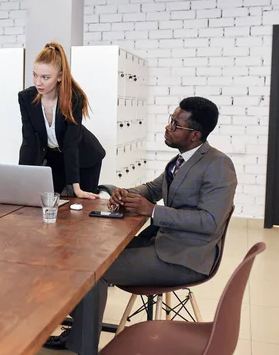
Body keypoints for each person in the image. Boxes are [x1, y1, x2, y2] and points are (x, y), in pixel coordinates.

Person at [44, 97, 237, 353]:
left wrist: (153, 211)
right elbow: (152, 189)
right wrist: (124, 193)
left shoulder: (218, 165)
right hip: (165, 244)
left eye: (175, 125)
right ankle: (77, 334)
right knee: (88, 257)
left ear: (195, 135)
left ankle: (82, 347)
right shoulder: (181, 160)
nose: (168, 127)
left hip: (185, 258)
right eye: (170, 120)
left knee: (93, 273)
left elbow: (210, 222)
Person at [18, 41, 106, 199]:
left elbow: (71, 144)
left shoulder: (74, 99)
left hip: (84, 157)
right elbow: (29, 141)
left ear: (59, 76)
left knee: (79, 207)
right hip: (55, 157)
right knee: (50, 201)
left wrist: (77, 189)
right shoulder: (26, 98)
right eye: (35, 75)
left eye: (45, 77)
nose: (38, 82)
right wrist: (22, 180)